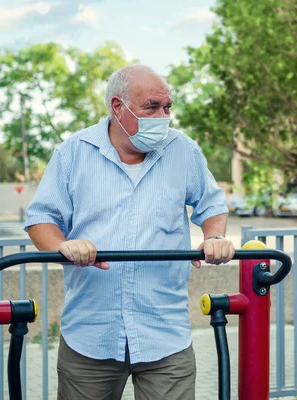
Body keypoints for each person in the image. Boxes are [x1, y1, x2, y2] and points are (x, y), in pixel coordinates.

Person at [24, 64, 235, 400]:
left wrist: (215, 237)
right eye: (151, 107)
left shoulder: (184, 150)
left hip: (165, 333)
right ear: (117, 107)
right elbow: (41, 218)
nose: (162, 117)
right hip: (91, 335)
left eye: (167, 107)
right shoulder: (73, 153)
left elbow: (213, 206)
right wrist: (63, 245)